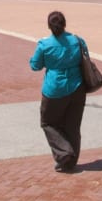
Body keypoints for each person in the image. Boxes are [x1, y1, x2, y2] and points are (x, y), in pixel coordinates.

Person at [29, 11, 87, 173]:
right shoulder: (77, 41)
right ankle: (70, 161)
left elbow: (35, 65)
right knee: (73, 126)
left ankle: (64, 153)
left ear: (49, 26)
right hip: (77, 87)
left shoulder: (45, 44)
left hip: (54, 89)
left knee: (48, 122)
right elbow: (86, 58)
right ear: (64, 24)